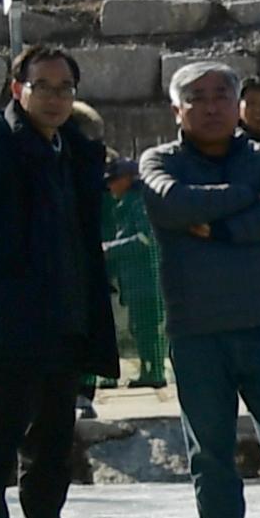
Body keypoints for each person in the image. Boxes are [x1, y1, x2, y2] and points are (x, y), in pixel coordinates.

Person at [140, 57, 260, 518]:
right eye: (196, 98)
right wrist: (246, 196)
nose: (211, 107)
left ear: (237, 103)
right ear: (177, 111)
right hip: (197, 333)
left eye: (221, 95)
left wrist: (219, 228)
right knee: (211, 450)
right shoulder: (158, 161)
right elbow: (172, 201)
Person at [0, 47, 117, 518]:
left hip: (63, 323)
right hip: (5, 328)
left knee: (53, 442)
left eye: (65, 88)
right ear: (19, 90)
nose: (55, 98)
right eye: (44, 86)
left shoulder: (73, 152)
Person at [102, 153, 166, 390]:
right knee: (139, 327)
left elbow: (145, 239)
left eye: (113, 180)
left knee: (147, 326)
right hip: (135, 279)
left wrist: (108, 249)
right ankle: (149, 371)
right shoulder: (127, 203)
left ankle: (154, 372)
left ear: (128, 179)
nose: (109, 186)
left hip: (146, 279)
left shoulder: (140, 203)